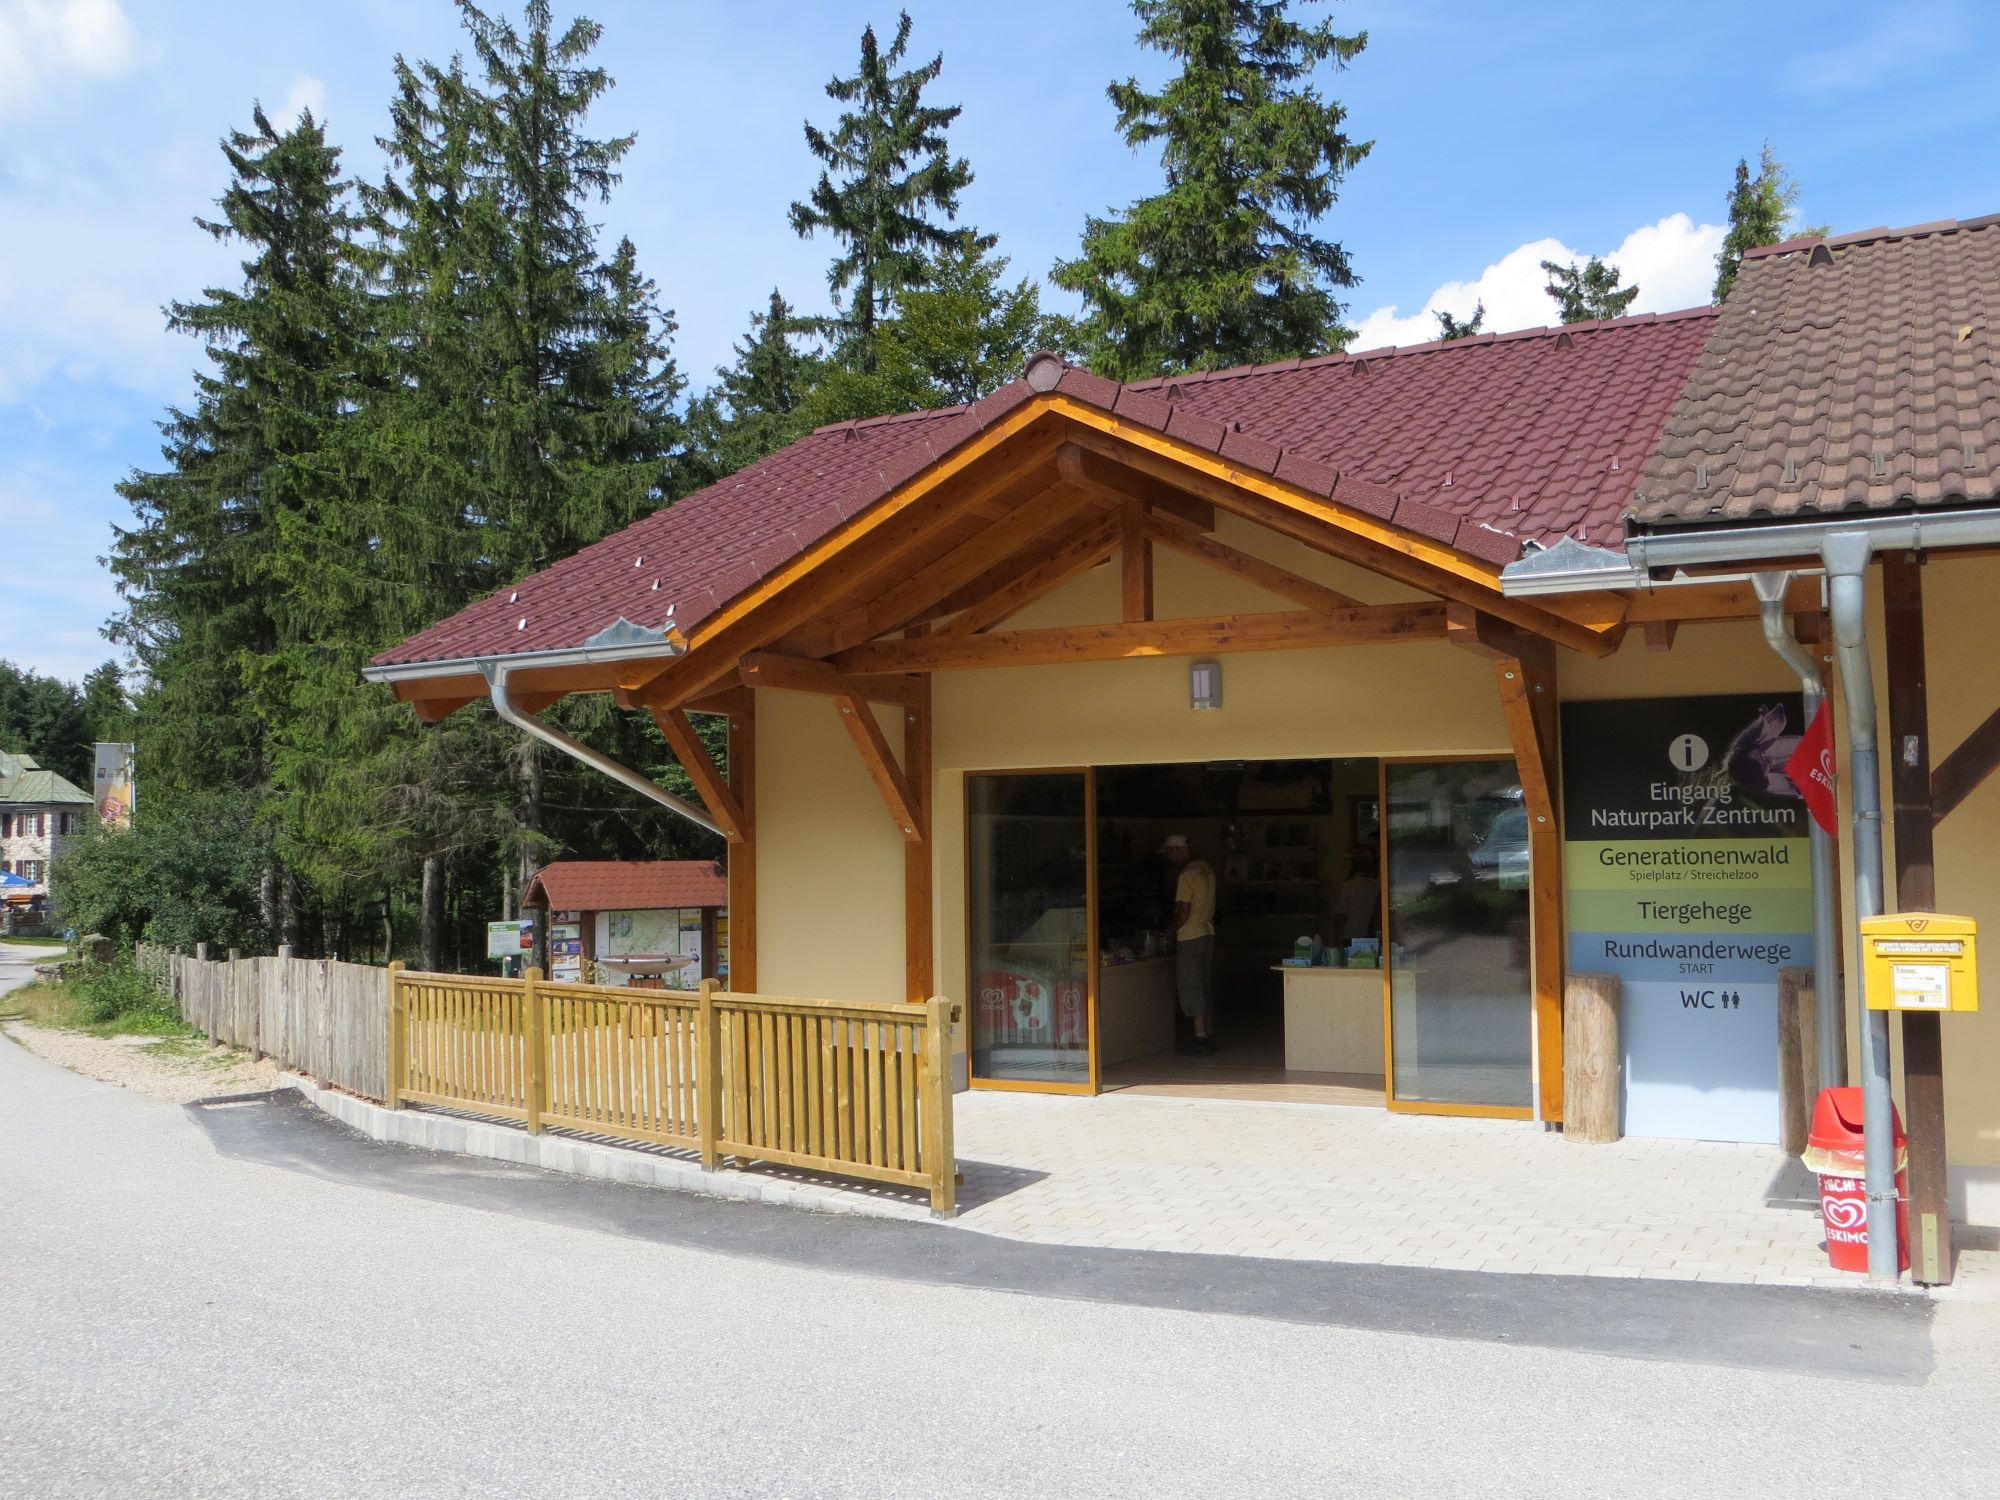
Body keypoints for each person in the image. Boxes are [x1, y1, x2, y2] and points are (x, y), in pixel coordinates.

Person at [1161, 834, 1218, 1055]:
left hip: (1190, 935)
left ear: (1176, 850)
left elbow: (1183, 913)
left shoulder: (1186, 875)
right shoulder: (1206, 868)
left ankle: (1200, 1036)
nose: (1168, 858)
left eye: (1168, 853)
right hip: (1208, 932)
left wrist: (1167, 931)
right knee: (1204, 984)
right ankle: (1210, 1032)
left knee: (1190, 985)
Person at [1336, 854, 1381, 946]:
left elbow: (1341, 914)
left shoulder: (1349, 886)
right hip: (1370, 933)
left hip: (1350, 933)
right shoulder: (1377, 886)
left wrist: (1335, 935)